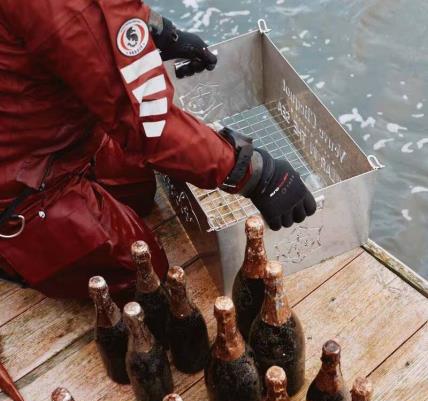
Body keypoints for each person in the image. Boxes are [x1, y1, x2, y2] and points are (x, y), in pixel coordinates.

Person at [0, 0, 316, 301]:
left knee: (137, 186)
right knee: (146, 273)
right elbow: (149, 125)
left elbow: (91, 24)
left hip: (52, 137)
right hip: (18, 185)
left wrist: (159, 30)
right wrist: (258, 175)